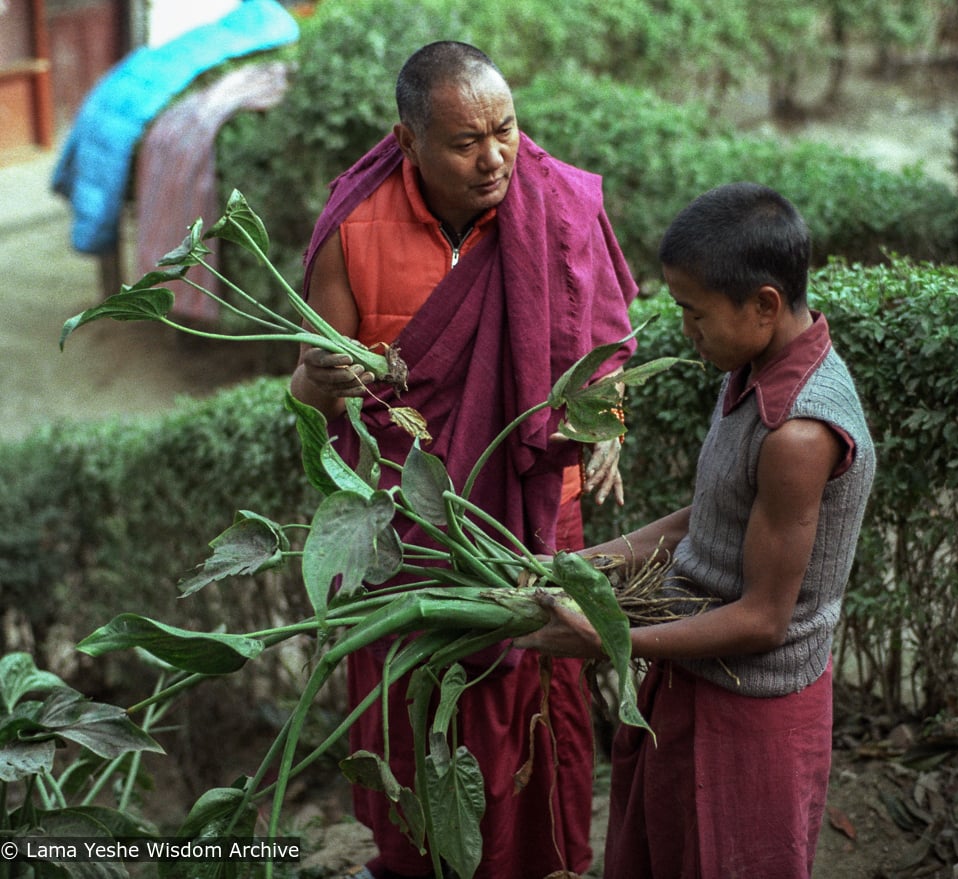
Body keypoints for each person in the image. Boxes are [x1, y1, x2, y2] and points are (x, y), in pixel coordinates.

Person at [290, 42, 639, 879]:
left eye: (506, 130)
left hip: (528, 506)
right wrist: (311, 377)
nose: (495, 158)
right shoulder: (355, 230)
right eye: (465, 142)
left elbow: (599, 342)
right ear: (408, 142)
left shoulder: (555, 205)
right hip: (404, 533)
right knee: (418, 717)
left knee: (540, 702)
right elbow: (312, 402)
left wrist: (608, 421)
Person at [516, 182, 877, 879]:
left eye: (693, 312)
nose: (686, 329)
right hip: (692, 674)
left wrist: (606, 642)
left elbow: (764, 620)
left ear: (764, 304)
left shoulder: (800, 431)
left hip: (753, 711)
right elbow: (704, 518)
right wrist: (576, 564)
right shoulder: (750, 365)